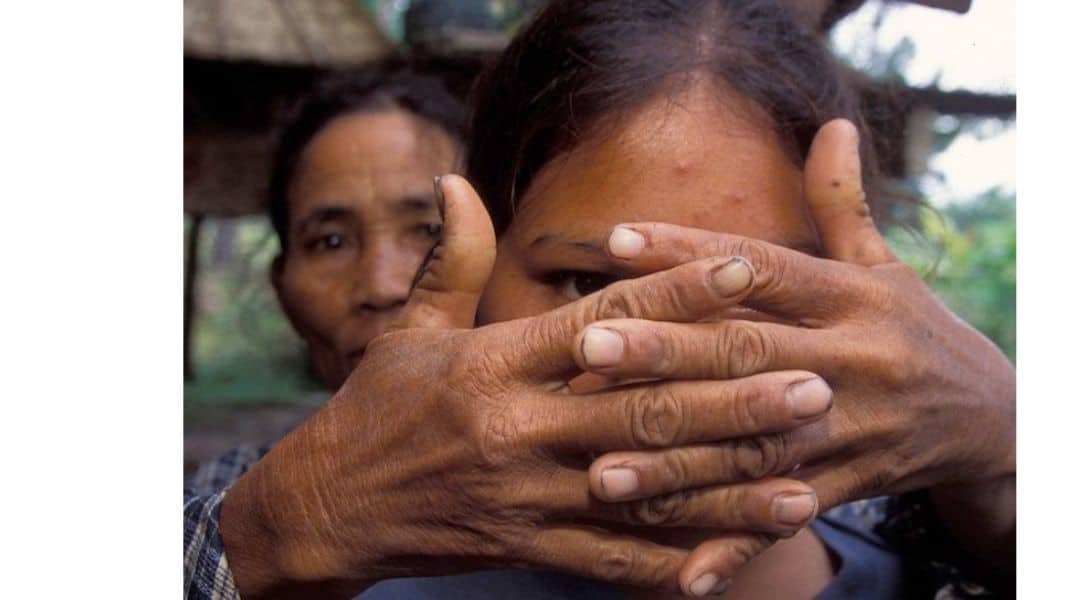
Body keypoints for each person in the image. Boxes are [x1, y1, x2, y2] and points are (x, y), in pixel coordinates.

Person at [188, 0, 1015, 597]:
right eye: (592, 286)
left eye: (760, 287)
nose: (668, 360)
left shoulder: (956, 551)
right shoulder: (303, 555)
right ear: (474, 273)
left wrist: (1005, 443)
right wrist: (273, 538)